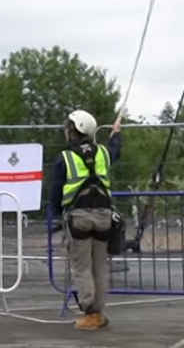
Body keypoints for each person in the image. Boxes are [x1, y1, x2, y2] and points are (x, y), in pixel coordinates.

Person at [46, 110, 123, 331]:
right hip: (103, 216)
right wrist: (116, 133)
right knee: (99, 266)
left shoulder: (66, 157)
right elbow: (115, 151)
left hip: (78, 217)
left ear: (74, 129)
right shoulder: (103, 153)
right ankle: (98, 311)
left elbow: (56, 191)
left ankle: (90, 312)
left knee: (82, 267)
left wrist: (55, 215)